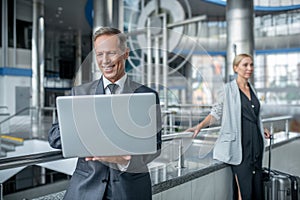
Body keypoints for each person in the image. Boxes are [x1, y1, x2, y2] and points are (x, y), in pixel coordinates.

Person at [48, 27, 162, 200]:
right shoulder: (80, 93)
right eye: (100, 54)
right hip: (85, 189)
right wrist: (91, 133)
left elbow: (155, 145)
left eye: (111, 53)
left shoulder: (146, 96)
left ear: (125, 53)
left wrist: (123, 159)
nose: (105, 60)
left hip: (130, 190)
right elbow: (54, 137)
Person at [187, 53, 270, 200]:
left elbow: (254, 115)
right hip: (240, 149)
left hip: (256, 147)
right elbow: (216, 113)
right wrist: (200, 126)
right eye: (245, 65)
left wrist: (261, 127)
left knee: (257, 189)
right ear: (235, 67)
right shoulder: (227, 90)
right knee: (244, 192)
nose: (249, 68)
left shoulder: (253, 89)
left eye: (251, 65)